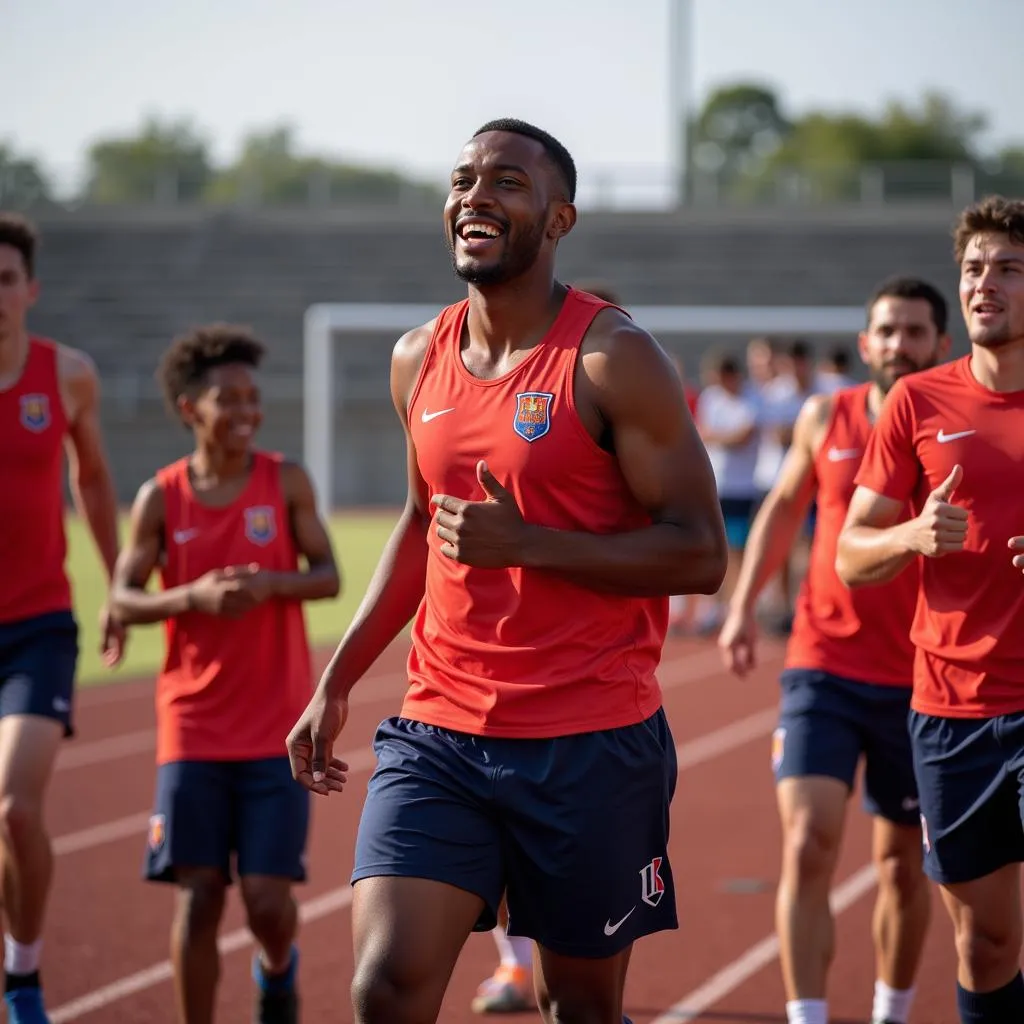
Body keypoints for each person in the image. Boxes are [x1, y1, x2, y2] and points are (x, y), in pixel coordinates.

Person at [286, 117, 727, 1024]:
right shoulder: (418, 359)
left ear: (560, 218)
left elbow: (701, 553)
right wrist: (336, 682)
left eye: (507, 183)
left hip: (591, 739)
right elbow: (419, 529)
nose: (475, 196)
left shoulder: (613, 359)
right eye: (462, 180)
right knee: (385, 988)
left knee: (580, 1005)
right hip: (440, 731)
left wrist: (531, 546)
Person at [718, 276, 951, 1024]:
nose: (898, 344)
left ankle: (891, 1011)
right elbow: (783, 509)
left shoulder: (958, 426)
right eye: (886, 330)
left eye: (914, 332)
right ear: (864, 343)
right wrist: (743, 607)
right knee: (810, 842)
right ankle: (807, 1017)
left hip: (922, 675)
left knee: (901, 868)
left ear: (940, 345)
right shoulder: (827, 415)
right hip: (822, 665)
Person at [108, 324, 340, 1024]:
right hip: (193, 728)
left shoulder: (285, 480)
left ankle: (277, 968)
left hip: (276, 727)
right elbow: (122, 597)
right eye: (227, 398)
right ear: (189, 409)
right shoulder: (161, 497)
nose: (246, 410)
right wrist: (192, 597)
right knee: (199, 894)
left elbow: (328, 577)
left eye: (253, 397)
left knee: (269, 902)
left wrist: (270, 584)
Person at [836, 195, 1024, 1024]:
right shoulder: (916, 401)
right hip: (950, 709)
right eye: (976, 268)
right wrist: (912, 533)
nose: (987, 284)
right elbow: (849, 553)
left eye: (1010, 269)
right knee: (984, 944)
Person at [0, 212, 122, 1024]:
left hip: (39, 624)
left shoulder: (68, 374)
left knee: (14, 806)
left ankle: (23, 974)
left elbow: (96, 482)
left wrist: (119, 587)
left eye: (5, 279)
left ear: (30, 289)